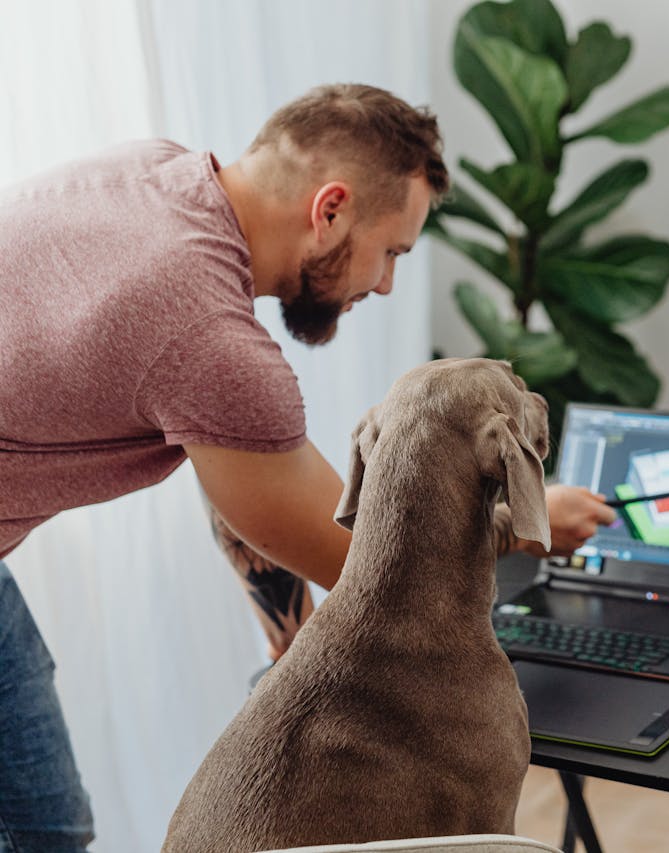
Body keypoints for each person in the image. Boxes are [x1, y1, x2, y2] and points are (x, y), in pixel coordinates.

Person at [0, 83, 615, 852]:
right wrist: (526, 518)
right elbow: (383, 561)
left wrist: (286, 633)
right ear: (330, 208)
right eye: (390, 251)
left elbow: (228, 468)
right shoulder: (211, 340)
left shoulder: (156, 175)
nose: (386, 284)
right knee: (39, 831)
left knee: (45, 819)